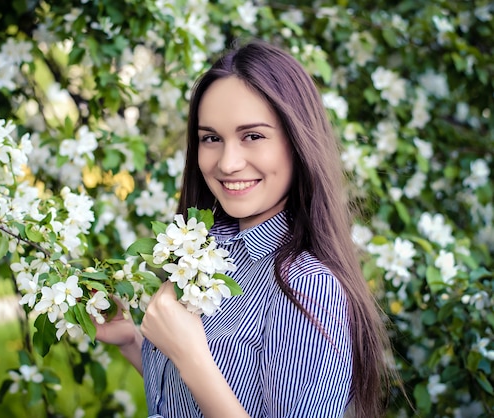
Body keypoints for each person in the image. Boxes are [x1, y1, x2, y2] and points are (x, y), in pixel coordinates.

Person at [95, 39, 396, 418]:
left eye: (252, 136)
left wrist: (191, 356)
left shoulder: (305, 285)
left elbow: (203, 372)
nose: (228, 163)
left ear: (297, 141)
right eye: (211, 139)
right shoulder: (207, 252)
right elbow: (193, 403)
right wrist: (133, 342)